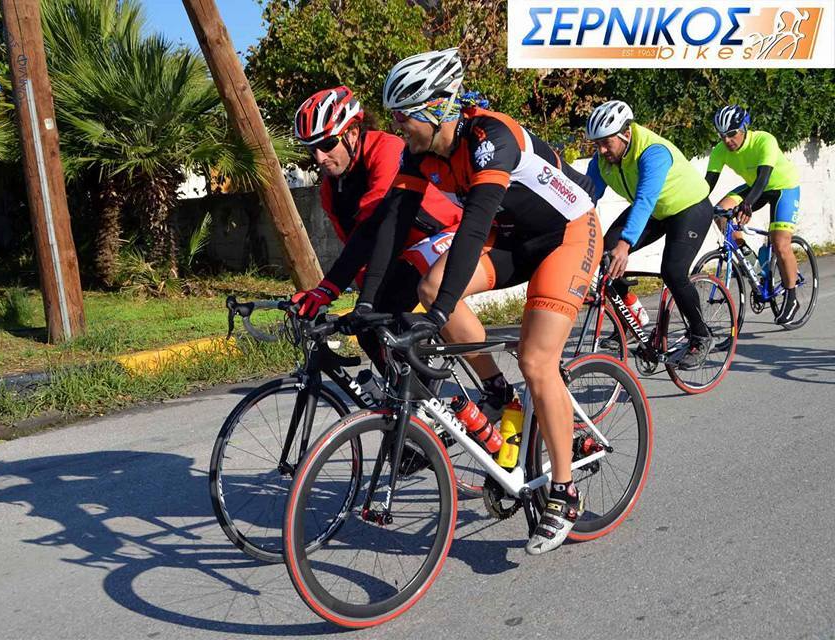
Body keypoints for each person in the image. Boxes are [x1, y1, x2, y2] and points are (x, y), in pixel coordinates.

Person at [355, 48, 603, 555]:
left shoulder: (492, 137)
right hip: (513, 238)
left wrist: (440, 315)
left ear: (437, 108)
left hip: (567, 235)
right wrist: (364, 304)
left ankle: (564, 491)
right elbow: (390, 227)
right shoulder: (422, 153)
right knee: (429, 287)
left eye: (403, 116)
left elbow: (471, 229)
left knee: (537, 360)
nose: (396, 126)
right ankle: (497, 390)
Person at [289, 86, 462, 366]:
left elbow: (374, 227)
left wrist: (330, 288)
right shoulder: (330, 190)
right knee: (369, 330)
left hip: (444, 234)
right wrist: (344, 296)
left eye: (328, 144)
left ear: (352, 133)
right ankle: (406, 393)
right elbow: (357, 250)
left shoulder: (387, 150)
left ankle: (479, 387)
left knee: (391, 311)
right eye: (312, 149)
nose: (319, 158)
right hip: (400, 251)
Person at [584, 100, 714, 370]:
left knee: (673, 271)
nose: (601, 150)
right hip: (656, 211)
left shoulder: (653, 152)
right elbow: (586, 197)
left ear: (626, 134)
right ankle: (631, 319)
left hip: (689, 208)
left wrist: (626, 244)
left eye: (606, 143)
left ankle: (701, 335)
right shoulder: (602, 159)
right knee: (606, 254)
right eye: (596, 144)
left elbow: (645, 199)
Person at [706, 105, 802, 325]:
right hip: (754, 187)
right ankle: (751, 262)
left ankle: (792, 296)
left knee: (780, 243)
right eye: (722, 135)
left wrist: (747, 204)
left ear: (744, 128)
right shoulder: (720, 150)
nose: (727, 140)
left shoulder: (764, 141)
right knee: (720, 213)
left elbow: (763, 178)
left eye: (732, 134)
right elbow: (706, 185)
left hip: (783, 187)